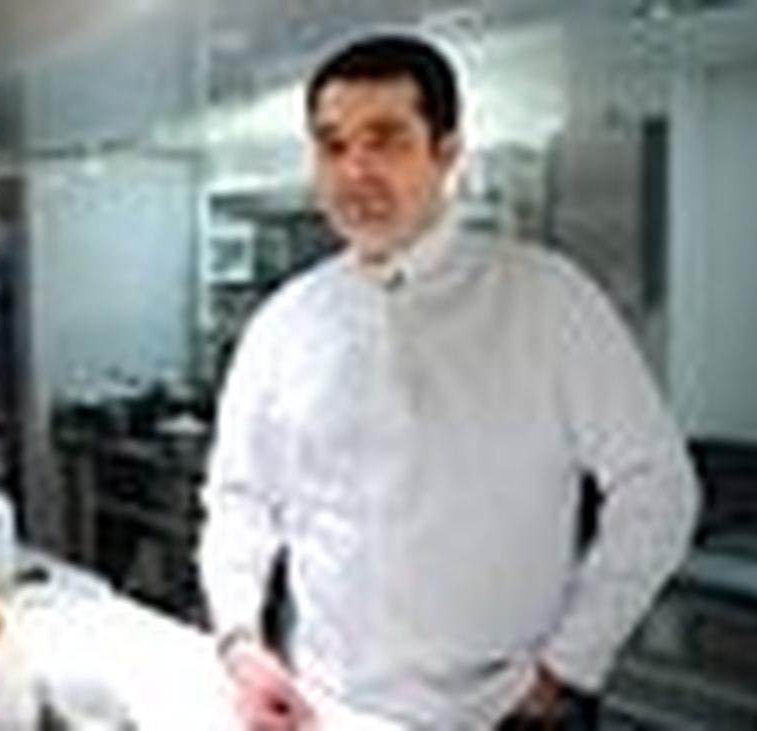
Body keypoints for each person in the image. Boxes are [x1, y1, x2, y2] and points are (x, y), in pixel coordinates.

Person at [197, 35, 699, 730]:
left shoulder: (546, 300)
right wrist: (241, 644)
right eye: (332, 145)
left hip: (506, 711)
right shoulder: (285, 321)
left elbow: (658, 488)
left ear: (446, 151)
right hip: (324, 704)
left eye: (386, 139)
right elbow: (241, 500)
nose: (355, 170)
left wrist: (567, 666)